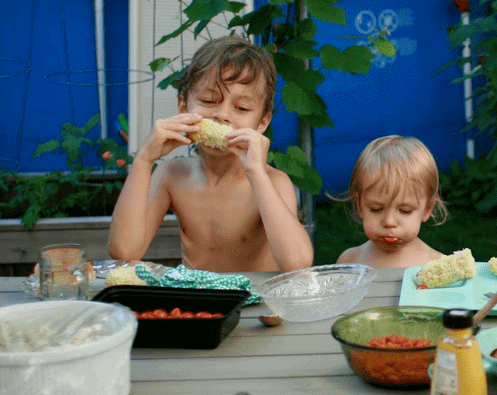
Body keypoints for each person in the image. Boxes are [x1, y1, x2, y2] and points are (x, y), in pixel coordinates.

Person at [108, 36, 314, 273]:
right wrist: (144, 160)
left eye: (242, 108)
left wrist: (256, 172)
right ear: (183, 106)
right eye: (208, 100)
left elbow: (297, 262)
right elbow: (124, 252)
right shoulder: (172, 175)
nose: (221, 114)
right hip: (198, 306)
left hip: (258, 306)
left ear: (262, 122)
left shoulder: (272, 182)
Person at [335, 135, 449, 268]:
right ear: (360, 205)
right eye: (376, 209)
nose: (389, 222)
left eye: (405, 211)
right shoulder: (349, 261)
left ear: (427, 209)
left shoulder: (439, 266)